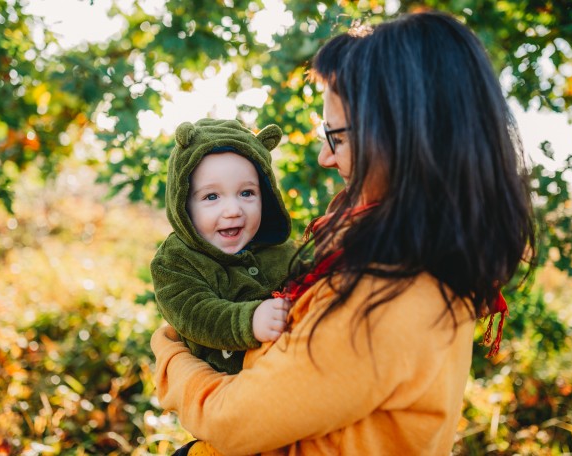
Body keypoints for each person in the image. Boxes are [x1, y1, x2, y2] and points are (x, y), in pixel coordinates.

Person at [151, 10, 536, 455]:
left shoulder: (386, 297)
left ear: (403, 137)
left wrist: (171, 355)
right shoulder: (416, 252)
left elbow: (232, 422)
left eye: (336, 137)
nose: (323, 158)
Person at [150, 118, 297, 375]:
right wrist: (250, 322)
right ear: (184, 203)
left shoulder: (279, 251)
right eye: (212, 196)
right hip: (227, 390)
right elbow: (194, 313)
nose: (233, 210)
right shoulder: (176, 261)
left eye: (247, 193)